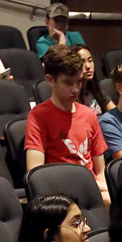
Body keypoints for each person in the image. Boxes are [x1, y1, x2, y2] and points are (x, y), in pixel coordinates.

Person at [24, 45, 109, 202]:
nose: (75, 89)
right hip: (61, 191)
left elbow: (101, 170)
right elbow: (35, 173)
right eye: (68, 83)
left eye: (78, 82)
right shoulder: (38, 116)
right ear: (50, 80)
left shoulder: (88, 115)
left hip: (91, 187)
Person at [76, 45, 114, 115]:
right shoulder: (72, 95)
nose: (88, 66)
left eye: (90, 61)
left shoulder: (96, 91)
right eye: (82, 62)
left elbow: (116, 115)